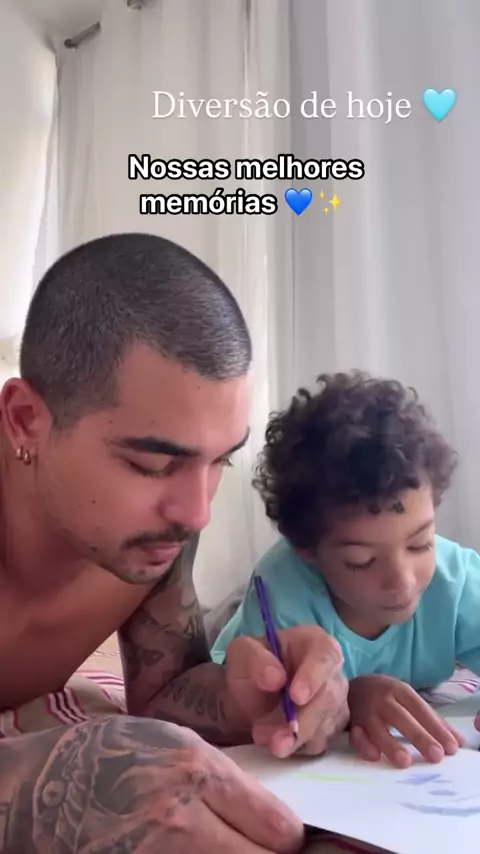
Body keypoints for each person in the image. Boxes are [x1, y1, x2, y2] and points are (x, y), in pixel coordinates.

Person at [0, 233, 348, 854]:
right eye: (152, 465)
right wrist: (49, 783)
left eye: (220, 461)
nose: (197, 512)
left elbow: (163, 693)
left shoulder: (151, 535)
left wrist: (247, 697)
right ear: (27, 419)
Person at [212, 371, 480, 771]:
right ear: (308, 550)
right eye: (361, 560)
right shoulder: (283, 597)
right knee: (219, 619)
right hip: (233, 635)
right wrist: (351, 697)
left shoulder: (455, 579)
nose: (402, 582)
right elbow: (272, 711)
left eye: (421, 543)